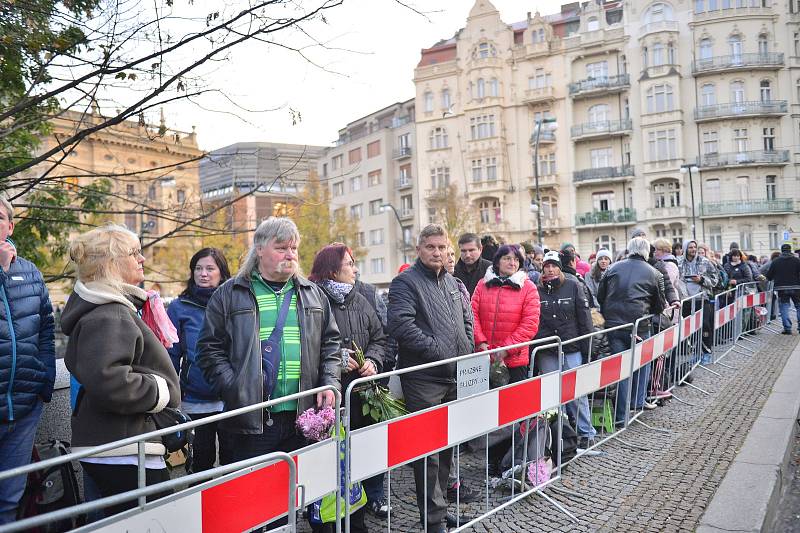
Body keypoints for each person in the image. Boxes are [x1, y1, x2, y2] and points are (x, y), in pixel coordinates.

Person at [197, 217, 341, 530]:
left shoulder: (312, 294)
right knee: (256, 506)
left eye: (294, 248)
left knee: (306, 497)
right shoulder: (230, 293)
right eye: (281, 248)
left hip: (305, 419)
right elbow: (208, 350)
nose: (290, 255)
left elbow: (331, 345)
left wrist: (330, 382)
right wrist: (235, 388)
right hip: (253, 421)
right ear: (260, 250)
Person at [60, 224, 179, 517]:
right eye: (134, 253)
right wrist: (161, 390)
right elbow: (109, 380)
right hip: (123, 448)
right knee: (159, 521)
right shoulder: (110, 313)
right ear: (111, 264)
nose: (143, 259)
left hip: (115, 445)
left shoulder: (105, 310)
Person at [387, 224, 474, 533]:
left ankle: (439, 510)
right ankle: (433, 519)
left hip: (454, 375)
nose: (437, 253)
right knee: (428, 452)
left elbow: (465, 318)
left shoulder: (452, 282)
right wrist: (439, 350)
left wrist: (466, 347)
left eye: (441, 247)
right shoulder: (404, 283)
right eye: (431, 247)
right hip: (423, 378)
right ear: (419, 250)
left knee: (447, 447)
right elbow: (400, 325)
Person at [309, 243, 388, 531]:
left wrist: (373, 361)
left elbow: (380, 337)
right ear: (332, 270)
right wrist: (338, 361)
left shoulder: (361, 298)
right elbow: (309, 348)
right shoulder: (314, 299)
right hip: (327, 399)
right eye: (349, 264)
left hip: (360, 394)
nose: (355, 269)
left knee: (358, 457)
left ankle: (357, 515)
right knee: (327, 461)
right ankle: (324, 517)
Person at [0, 199, 55, 525]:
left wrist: (45, 379)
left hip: (23, 407)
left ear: (10, 226)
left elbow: (47, 328)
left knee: (11, 498)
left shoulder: (30, 272)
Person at [166, 248, 232, 472]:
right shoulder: (179, 307)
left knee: (232, 461)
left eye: (210, 268)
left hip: (230, 399)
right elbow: (171, 355)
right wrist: (171, 395)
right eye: (198, 268)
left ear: (221, 273)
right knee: (200, 462)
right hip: (194, 398)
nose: (203, 274)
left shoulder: (234, 302)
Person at [597, 237, 666, 425]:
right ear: (646, 252)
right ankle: (637, 402)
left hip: (614, 325)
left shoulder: (612, 268)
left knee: (620, 370)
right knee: (642, 364)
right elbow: (659, 305)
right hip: (639, 326)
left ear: (629, 249)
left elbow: (600, 295)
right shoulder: (654, 273)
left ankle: (621, 415)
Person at [534, 251, 595, 448]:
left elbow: (584, 319)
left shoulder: (573, 286)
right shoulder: (536, 290)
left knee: (576, 393)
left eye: (554, 265)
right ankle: (556, 435)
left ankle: (586, 432)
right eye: (546, 266)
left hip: (571, 347)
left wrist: (588, 348)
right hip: (547, 350)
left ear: (560, 267)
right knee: (551, 395)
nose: (550, 269)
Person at [472, 245, 541, 383]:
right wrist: (480, 342)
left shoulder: (528, 288)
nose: (512, 263)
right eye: (507, 258)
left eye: (516, 259)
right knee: (484, 403)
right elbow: (471, 314)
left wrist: (505, 350)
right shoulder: (482, 284)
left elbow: (530, 325)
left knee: (514, 403)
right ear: (497, 261)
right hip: (484, 356)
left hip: (514, 359)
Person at [679, 240, 718, 356]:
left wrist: (701, 280)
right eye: (690, 247)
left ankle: (706, 352)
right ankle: (694, 352)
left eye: (694, 247)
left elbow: (715, 279)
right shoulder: (679, 262)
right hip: (686, 300)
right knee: (689, 328)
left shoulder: (705, 262)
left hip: (702, 298)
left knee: (705, 325)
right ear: (685, 249)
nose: (693, 249)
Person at [766, 243, 800, 335]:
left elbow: (769, 276)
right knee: (798, 306)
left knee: (784, 307)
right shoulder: (797, 261)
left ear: (781, 251)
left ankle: (787, 328)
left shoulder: (776, 261)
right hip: (796, 287)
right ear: (790, 250)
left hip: (781, 288)